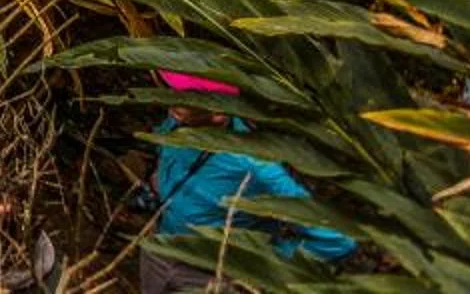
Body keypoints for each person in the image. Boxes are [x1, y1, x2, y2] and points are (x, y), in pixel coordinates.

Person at [141, 71, 355, 291]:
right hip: (159, 249)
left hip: (208, 275)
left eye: (186, 96)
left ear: (218, 112)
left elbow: (337, 241)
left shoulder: (255, 164)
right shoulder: (176, 123)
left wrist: (264, 260)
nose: (172, 99)